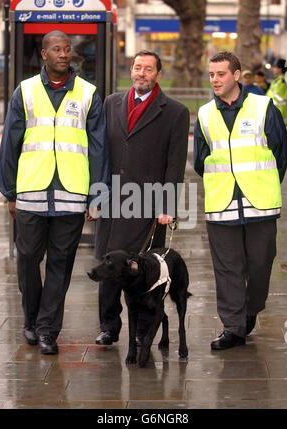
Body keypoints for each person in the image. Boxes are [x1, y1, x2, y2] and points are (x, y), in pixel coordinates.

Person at [0, 31, 109, 355]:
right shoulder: (26, 92)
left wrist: (97, 195)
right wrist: (10, 191)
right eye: (57, 49)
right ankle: (30, 319)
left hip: (72, 194)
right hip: (31, 191)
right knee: (28, 259)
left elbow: (99, 149)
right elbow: (11, 144)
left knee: (60, 265)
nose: (64, 54)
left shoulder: (88, 94)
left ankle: (48, 330)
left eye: (67, 49)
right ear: (44, 55)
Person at [194, 51, 287, 350]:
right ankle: (233, 327)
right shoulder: (204, 114)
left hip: (260, 201)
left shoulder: (263, 107)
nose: (215, 80)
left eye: (221, 74)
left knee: (261, 264)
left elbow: (281, 152)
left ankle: (250, 310)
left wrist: (264, 183)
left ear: (236, 75)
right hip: (221, 203)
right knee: (227, 268)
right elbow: (200, 160)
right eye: (211, 75)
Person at [94, 50, 189, 345]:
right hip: (112, 200)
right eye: (137, 68)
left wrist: (168, 206)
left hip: (147, 204)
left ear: (158, 74)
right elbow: (100, 152)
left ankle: (142, 329)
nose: (141, 74)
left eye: (148, 69)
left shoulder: (175, 111)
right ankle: (109, 326)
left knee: (144, 272)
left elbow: (175, 164)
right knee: (109, 265)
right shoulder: (111, 103)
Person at [267, 58, 287, 125]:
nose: (273, 69)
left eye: (274, 67)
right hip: (276, 116)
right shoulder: (276, 81)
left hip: (280, 116)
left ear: (279, 69)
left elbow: (277, 98)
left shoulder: (284, 82)